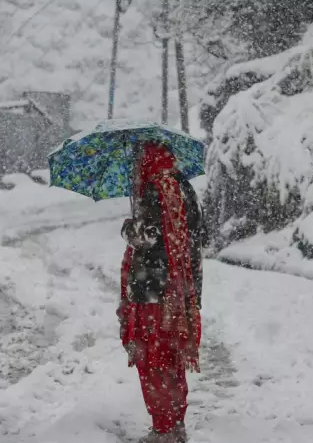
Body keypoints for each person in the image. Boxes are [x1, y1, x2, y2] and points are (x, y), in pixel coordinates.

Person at [118, 143, 204, 443]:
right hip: (179, 293)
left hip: (153, 291)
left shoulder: (154, 190)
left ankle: (163, 428)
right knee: (172, 358)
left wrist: (129, 228)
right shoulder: (184, 187)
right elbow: (196, 236)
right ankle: (175, 423)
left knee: (152, 360)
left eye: (141, 157)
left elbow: (148, 237)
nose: (138, 163)